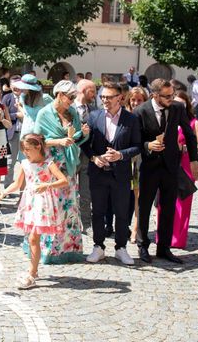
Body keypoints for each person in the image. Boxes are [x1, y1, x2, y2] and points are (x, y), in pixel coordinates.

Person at [134, 78, 198, 264]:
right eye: (167, 96)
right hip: (148, 166)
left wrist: (194, 159)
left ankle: (164, 248)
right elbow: (135, 141)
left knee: (168, 208)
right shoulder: (141, 111)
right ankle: (143, 246)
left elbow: (189, 134)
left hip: (171, 166)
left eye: (172, 94)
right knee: (145, 207)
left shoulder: (177, 108)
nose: (171, 98)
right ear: (155, 95)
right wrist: (148, 145)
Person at [0, 133, 68, 289]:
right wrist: (4, 192)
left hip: (43, 204)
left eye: (28, 149)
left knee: (34, 239)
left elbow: (63, 180)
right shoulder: (24, 164)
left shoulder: (48, 164)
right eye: (23, 149)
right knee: (31, 238)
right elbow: (17, 183)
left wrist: (47, 186)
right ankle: (33, 270)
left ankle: (32, 272)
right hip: (29, 203)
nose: (25, 152)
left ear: (38, 147)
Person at [82, 82, 141, 265]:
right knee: (98, 212)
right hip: (98, 173)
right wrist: (94, 158)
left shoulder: (131, 119)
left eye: (109, 97)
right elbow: (84, 143)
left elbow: (138, 146)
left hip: (121, 174)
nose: (105, 100)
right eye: (102, 97)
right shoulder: (93, 116)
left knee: (122, 213)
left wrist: (121, 155)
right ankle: (98, 247)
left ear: (120, 98)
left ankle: (120, 248)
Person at [32, 80, 89, 264]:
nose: (72, 101)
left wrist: (84, 133)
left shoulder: (72, 112)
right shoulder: (44, 113)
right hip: (52, 166)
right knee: (53, 207)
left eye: (74, 97)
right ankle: (49, 250)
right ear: (59, 95)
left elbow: (75, 137)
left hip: (70, 164)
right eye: (70, 97)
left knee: (70, 207)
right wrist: (59, 142)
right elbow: (36, 141)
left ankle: (69, 248)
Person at [156, 91, 198, 249]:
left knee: (181, 204)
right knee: (163, 202)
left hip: (185, 166)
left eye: (181, 104)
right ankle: (162, 237)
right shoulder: (165, 120)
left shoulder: (193, 122)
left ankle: (177, 239)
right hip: (166, 165)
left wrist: (183, 148)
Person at [125, 87, 149, 243]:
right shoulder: (123, 115)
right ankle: (123, 226)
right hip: (125, 159)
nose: (135, 103)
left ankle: (136, 228)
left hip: (140, 159)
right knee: (124, 195)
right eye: (133, 100)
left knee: (137, 195)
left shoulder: (147, 116)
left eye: (139, 100)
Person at [74, 78, 97, 231]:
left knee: (86, 191)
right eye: (92, 91)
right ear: (83, 91)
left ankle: (86, 223)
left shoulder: (93, 110)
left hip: (86, 154)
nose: (95, 95)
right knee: (68, 189)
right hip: (70, 153)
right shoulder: (69, 108)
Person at [2, 75, 22, 186]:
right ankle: (8, 186)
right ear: (10, 86)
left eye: (18, 85)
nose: (16, 88)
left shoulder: (27, 97)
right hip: (13, 133)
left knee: (25, 163)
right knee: (11, 162)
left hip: (26, 133)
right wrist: (16, 115)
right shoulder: (7, 98)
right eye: (13, 86)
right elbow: (3, 115)